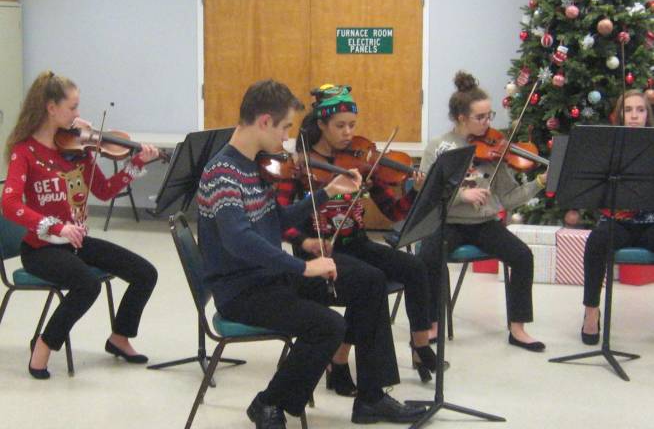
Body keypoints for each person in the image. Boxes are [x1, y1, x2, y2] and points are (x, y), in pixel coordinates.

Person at [197, 79, 426, 428]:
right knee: (328, 326)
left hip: (270, 278)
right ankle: (269, 403)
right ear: (264, 121)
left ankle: (372, 397)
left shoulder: (254, 166)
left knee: (369, 280)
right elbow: (238, 241)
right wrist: (303, 268)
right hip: (242, 290)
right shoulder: (221, 173)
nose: (287, 137)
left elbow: (275, 218)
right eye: (285, 126)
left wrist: (325, 193)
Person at [275, 84, 441, 391]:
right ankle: (339, 360)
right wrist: (305, 241)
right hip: (319, 253)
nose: (349, 133)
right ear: (321, 125)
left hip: (357, 242)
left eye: (352, 125)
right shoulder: (299, 165)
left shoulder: (360, 161)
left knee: (414, 268)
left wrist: (414, 193)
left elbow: (392, 212)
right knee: (369, 280)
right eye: (340, 126)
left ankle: (420, 347)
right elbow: (280, 220)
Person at [1, 71, 159, 379]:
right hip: (40, 248)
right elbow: (9, 203)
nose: (78, 116)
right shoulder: (26, 151)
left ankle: (119, 338)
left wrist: (136, 164)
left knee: (144, 273)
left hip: (75, 242)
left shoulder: (77, 151)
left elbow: (103, 190)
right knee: (88, 284)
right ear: (51, 108)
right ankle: (44, 346)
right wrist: (56, 227)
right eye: (72, 107)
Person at [417, 71, 546, 352]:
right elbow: (427, 194)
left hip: (484, 223)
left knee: (522, 256)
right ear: (461, 117)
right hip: (446, 221)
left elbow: (509, 196)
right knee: (428, 255)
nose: (488, 123)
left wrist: (538, 183)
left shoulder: (494, 150)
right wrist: (462, 195)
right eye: (481, 117)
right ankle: (432, 323)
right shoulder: (439, 147)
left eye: (490, 116)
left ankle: (518, 328)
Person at [580, 89, 654, 345]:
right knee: (596, 242)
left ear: (648, 114)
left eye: (640, 110)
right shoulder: (609, 145)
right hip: (618, 220)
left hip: (650, 222)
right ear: (621, 114)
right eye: (629, 110)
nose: (635, 116)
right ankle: (591, 312)